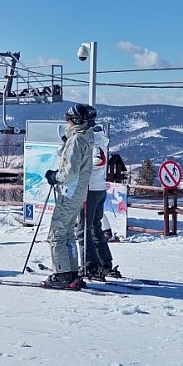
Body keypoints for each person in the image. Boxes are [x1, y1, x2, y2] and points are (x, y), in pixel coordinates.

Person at [43, 104, 96, 289]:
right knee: (67, 233)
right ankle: (72, 271)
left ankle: (62, 274)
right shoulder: (86, 137)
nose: (66, 120)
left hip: (70, 191)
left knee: (56, 233)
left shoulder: (76, 141)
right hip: (78, 191)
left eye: (69, 117)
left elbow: (70, 170)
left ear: (76, 120)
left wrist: (55, 177)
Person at [83, 121, 122, 280]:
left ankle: (91, 264)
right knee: (95, 226)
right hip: (100, 188)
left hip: (91, 190)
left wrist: (82, 169)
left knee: (86, 228)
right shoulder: (101, 140)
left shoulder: (95, 142)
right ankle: (104, 261)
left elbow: (98, 160)